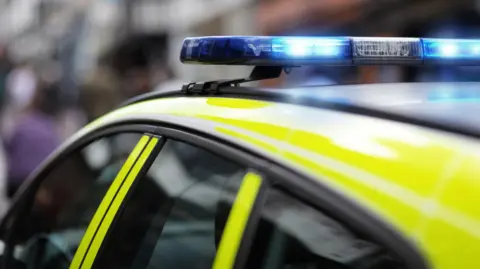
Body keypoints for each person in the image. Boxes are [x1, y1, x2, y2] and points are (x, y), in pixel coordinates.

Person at [4, 78, 61, 199]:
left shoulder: (22, 123)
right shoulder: (52, 130)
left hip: (16, 182)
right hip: (38, 183)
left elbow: (8, 145)